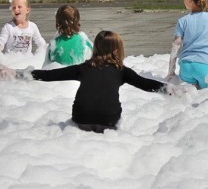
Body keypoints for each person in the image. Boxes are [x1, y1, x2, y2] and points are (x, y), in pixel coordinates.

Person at [29, 30, 167, 133]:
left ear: (96, 49)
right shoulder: (121, 71)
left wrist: (23, 74)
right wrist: (172, 89)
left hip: (81, 119)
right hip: (108, 121)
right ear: (116, 51)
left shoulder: (83, 68)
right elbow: (145, 84)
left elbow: (50, 75)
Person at [167, 0, 208, 88]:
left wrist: (171, 72)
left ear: (189, 1)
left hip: (186, 67)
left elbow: (176, 47)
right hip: (205, 67)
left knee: (188, 94)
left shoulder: (182, 21)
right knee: (207, 95)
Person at [0, 0, 47, 70]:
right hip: (11, 62)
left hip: (28, 62)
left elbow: (41, 43)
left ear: (27, 10)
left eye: (19, 7)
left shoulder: (32, 26)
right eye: (14, 7)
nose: (16, 9)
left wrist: (46, 55)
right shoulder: (8, 27)